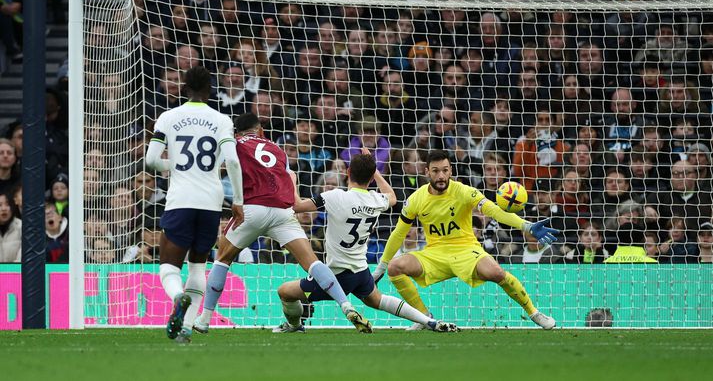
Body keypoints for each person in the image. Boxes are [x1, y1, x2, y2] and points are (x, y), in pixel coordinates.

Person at [194, 112, 371, 334]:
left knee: (222, 259)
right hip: (282, 211)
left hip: (252, 208)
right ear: (260, 130)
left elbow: (223, 163)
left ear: (237, 132)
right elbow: (289, 177)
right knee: (313, 263)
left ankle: (204, 319)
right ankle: (346, 306)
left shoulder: (235, 143)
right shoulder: (278, 149)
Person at [273, 149, 458, 333]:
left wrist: (292, 179)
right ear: (371, 178)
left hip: (335, 275)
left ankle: (295, 326)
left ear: (348, 173)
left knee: (285, 292)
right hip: (361, 271)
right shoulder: (376, 200)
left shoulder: (335, 196)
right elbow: (393, 197)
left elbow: (297, 206)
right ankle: (428, 320)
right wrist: (375, 171)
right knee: (377, 300)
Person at [372, 150, 559, 330]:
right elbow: (398, 233)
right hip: (434, 254)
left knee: (497, 273)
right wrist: (381, 267)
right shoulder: (416, 199)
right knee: (395, 267)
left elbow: (493, 210)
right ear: (427, 171)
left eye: (445, 170)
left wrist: (525, 226)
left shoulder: (464, 191)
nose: (441, 176)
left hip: (466, 250)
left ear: (451, 170)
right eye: (436, 171)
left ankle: (534, 313)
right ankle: (423, 317)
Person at [145, 66, 244, 344]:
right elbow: (233, 161)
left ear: (184, 88)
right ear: (210, 90)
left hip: (181, 199)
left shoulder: (168, 117)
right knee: (198, 267)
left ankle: (178, 297)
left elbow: (151, 161)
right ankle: (186, 329)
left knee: (168, 268)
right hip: (211, 201)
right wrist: (238, 201)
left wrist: (173, 166)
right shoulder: (222, 119)